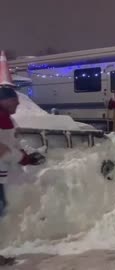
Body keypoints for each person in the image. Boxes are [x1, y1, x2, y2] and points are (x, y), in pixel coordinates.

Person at [0, 86, 45, 266]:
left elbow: (15, 141)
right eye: (14, 101)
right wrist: (24, 159)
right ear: (3, 100)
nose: (18, 104)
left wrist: (29, 154)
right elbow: (2, 149)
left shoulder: (7, 119)